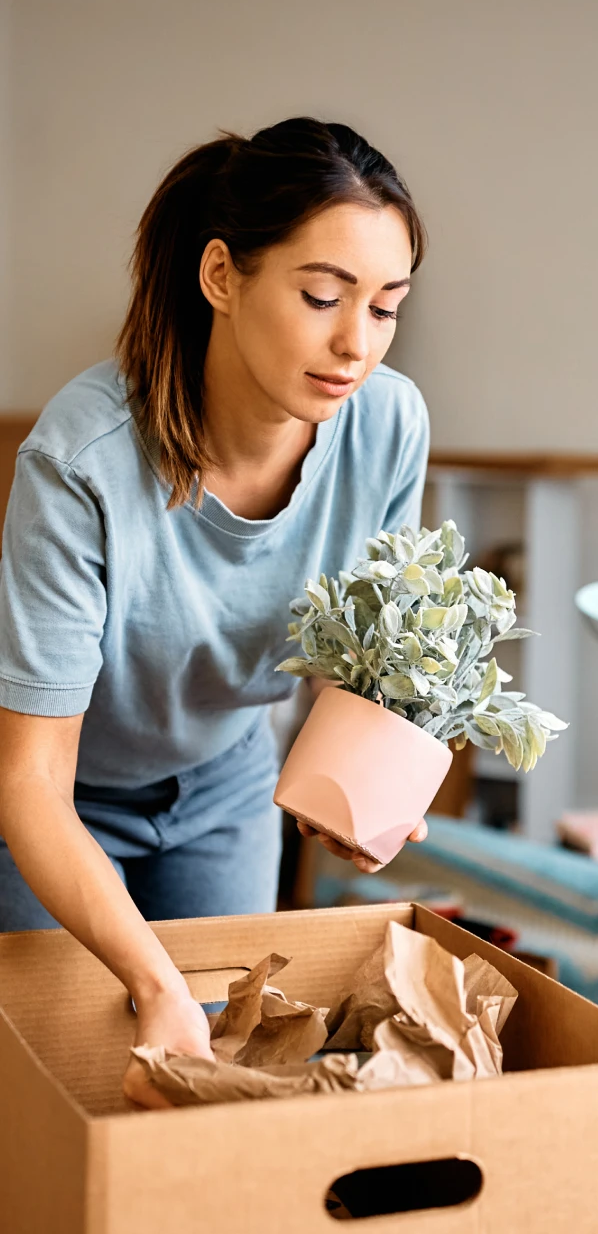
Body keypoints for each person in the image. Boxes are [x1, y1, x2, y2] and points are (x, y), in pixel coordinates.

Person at [0, 118, 430, 1107]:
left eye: (386, 307)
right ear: (221, 276)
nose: (354, 343)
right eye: (322, 296)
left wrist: (362, 780)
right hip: (53, 803)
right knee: (48, 1103)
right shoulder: (84, 459)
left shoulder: (388, 423)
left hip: (224, 782)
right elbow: (28, 777)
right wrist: (150, 979)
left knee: (217, 1088)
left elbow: (359, 650)